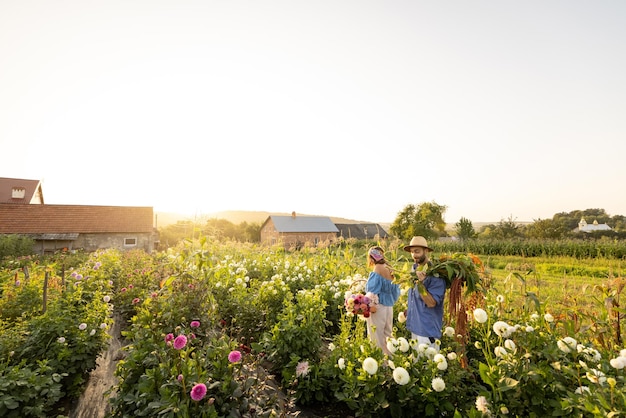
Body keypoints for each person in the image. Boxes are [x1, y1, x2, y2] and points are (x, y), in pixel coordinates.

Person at [403, 236, 446, 350]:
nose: (414, 255)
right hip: (414, 327)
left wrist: (420, 284)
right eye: (412, 252)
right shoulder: (414, 268)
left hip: (427, 331)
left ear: (426, 251)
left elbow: (431, 303)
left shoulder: (436, 274)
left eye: (417, 251)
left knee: (428, 366)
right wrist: (410, 309)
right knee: (416, 365)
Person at [364, 246, 401, 356]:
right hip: (389, 306)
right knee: (387, 335)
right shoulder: (389, 267)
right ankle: (390, 359)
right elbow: (395, 291)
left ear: (371, 258)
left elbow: (372, 290)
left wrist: (368, 305)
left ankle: (379, 362)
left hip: (378, 306)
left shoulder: (377, 268)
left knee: (376, 336)